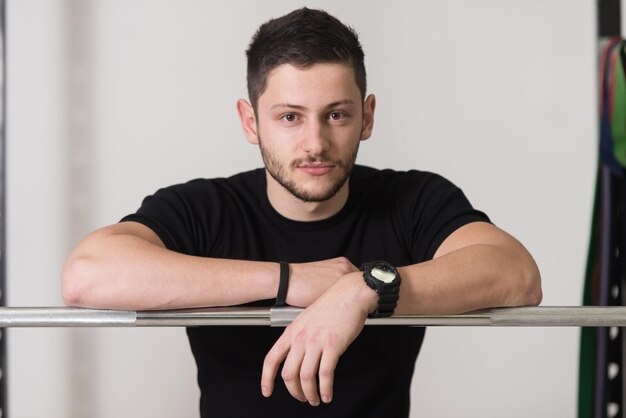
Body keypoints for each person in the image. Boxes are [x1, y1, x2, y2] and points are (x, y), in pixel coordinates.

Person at [61, 7, 542, 418]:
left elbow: (517, 275)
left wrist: (362, 290)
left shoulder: (413, 199)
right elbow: (87, 276)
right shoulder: (204, 208)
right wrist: (290, 281)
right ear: (251, 122)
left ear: (367, 117)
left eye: (336, 114)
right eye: (290, 117)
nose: (315, 143)